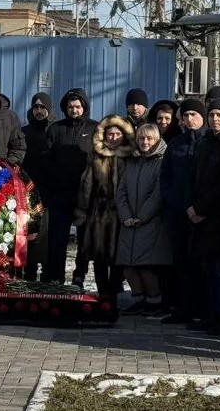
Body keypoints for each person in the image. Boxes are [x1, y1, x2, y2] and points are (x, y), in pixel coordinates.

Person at [186, 98, 220, 335]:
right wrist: (191, 207)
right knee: (208, 269)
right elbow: (194, 177)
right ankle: (210, 315)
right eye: (211, 115)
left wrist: (201, 208)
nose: (214, 119)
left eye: (219, 115)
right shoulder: (205, 142)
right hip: (201, 218)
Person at [116, 123, 172, 316]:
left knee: (145, 266)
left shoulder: (162, 161)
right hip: (129, 223)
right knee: (128, 266)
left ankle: (154, 300)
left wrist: (142, 217)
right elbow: (121, 192)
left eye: (149, 138)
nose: (145, 142)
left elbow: (158, 193)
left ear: (157, 140)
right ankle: (138, 298)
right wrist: (126, 216)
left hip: (150, 222)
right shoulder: (132, 162)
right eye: (141, 138)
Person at [160, 97, 206, 325]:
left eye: (194, 115)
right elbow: (165, 176)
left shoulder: (208, 142)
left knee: (201, 264)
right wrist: (172, 200)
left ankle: (202, 309)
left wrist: (199, 207)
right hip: (178, 213)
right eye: (186, 115)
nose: (189, 119)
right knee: (180, 262)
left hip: (202, 215)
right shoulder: (176, 144)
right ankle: (182, 308)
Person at [75, 114, 132, 298]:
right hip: (100, 213)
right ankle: (102, 293)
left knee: (119, 256)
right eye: (110, 134)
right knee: (99, 255)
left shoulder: (131, 157)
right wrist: (82, 212)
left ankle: (115, 291)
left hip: (123, 214)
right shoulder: (96, 156)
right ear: (104, 135)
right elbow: (86, 186)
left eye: (117, 134)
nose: (113, 138)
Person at [46, 88, 97, 285]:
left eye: (77, 106)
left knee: (84, 239)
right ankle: (56, 275)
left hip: (85, 194)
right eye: (70, 107)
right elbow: (47, 158)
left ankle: (79, 274)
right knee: (58, 237)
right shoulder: (56, 129)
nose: (74, 110)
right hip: (60, 193)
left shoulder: (94, 128)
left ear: (84, 107)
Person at [20, 93, 54, 280]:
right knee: (29, 232)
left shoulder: (54, 130)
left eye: (43, 107)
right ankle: (29, 273)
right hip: (28, 191)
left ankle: (48, 275)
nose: (39, 111)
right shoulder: (24, 132)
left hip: (50, 191)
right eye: (36, 107)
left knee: (47, 235)